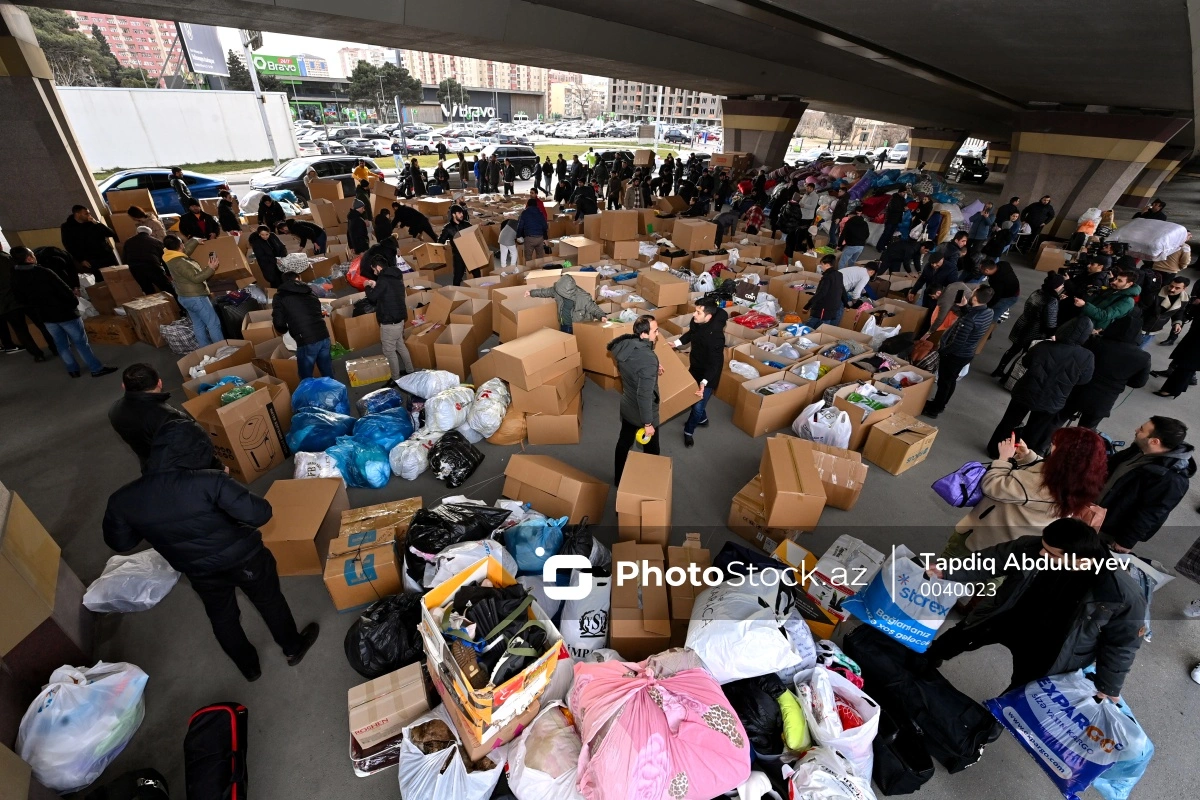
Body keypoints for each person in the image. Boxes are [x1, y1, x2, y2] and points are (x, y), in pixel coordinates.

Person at [103, 419, 319, 681]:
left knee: (222, 616)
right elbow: (260, 514)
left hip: (198, 569)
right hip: (245, 558)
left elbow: (121, 543)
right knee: (269, 601)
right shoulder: (210, 481)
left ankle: (249, 667)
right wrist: (226, 484)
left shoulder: (123, 499)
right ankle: (292, 648)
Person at [927, 518, 1145, 700]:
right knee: (956, 638)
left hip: (1049, 647)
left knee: (1021, 694)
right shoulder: (1031, 547)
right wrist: (948, 570)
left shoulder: (1120, 593)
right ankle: (925, 659)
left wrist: (1109, 686)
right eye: (1043, 547)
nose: (1041, 554)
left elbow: (1122, 643)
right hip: (1006, 616)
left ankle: (986, 727)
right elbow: (992, 559)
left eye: (1051, 554)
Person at [941, 427, 1109, 559]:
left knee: (947, 568)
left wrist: (1003, 459)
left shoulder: (1037, 485)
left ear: (1064, 456)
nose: (1052, 446)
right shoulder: (1078, 480)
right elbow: (1045, 471)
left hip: (985, 539)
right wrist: (1028, 456)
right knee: (989, 586)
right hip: (1014, 545)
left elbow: (993, 486)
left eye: (1056, 444)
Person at [987, 316, 1094, 456]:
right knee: (1035, 431)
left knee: (1009, 422)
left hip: (1026, 390)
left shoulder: (1043, 345)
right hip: (1053, 399)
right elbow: (1084, 380)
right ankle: (1022, 457)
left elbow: (1025, 362)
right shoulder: (1087, 356)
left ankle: (996, 450)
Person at [10, 246, 116, 378]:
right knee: (81, 342)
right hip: (64, 313)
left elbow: (20, 298)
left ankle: (72, 370)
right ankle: (96, 368)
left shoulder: (15, 276)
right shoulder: (43, 272)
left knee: (61, 344)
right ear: (29, 258)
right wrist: (73, 304)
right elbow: (65, 291)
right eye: (32, 254)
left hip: (45, 316)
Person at [1098, 417, 1195, 551]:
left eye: (1142, 430)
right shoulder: (1140, 448)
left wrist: (1126, 541)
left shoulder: (1171, 479)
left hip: (1108, 527)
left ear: (1154, 441)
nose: (1136, 430)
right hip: (1096, 510)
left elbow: (1150, 513)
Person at [109, 363, 217, 471]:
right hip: (180, 469)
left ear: (123, 386)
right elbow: (197, 447)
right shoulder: (169, 418)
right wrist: (217, 467)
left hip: (150, 466)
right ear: (159, 383)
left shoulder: (114, 410)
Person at [1055, 313, 1150, 430]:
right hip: (1103, 401)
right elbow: (1138, 383)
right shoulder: (1143, 357)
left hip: (1078, 391)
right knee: (1085, 432)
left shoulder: (1095, 342)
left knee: (1057, 419)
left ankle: (1041, 444)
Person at [921, 286, 995, 419]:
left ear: (975, 298)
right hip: (967, 353)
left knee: (944, 382)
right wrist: (964, 307)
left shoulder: (969, 320)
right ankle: (940, 404)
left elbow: (957, 342)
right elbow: (972, 318)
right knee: (951, 380)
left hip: (955, 355)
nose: (970, 293)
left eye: (973, 293)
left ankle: (934, 410)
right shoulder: (988, 312)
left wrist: (942, 352)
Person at [608, 315, 662, 483]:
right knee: (652, 449)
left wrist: (652, 369)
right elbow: (644, 394)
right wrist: (648, 423)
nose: (657, 334)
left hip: (627, 404)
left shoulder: (626, 346)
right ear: (644, 334)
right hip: (643, 411)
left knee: (624, 442)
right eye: (655, 330)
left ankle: (618, 479)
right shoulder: (647, 358)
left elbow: (634, 369)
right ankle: (652, 481)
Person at [672, 299, 726, 448]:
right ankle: (703, 419)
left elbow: (714, 364)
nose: (694, 314)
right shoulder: (696, 322)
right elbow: (691, 334)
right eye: (695, 310)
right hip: (696, 366)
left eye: (698, 312)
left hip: (709, 374)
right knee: (692, 397)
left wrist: (704, 382)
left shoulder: (716, 337)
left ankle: (688, 432)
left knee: (697, 406)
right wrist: (676, 343)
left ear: (708, 317)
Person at [992, 272, 1064, 377]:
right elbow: (1050, 320)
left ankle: (999, 369)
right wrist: (1052, 334)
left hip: (1023, 323)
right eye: (1061, 284)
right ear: (1056, 286)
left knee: (1013, 349)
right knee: (1024, 354)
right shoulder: (1052, 300)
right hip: (1035, 330)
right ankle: (1009, 376)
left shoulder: (1038, 292)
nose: (1062, 286)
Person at [162, 235, 224, 347]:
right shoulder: (181, 262)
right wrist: (211, 268)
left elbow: (184, 252)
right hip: (196, 297)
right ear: (180, 245)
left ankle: (205, 349)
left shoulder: (169, 256)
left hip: (184, 297)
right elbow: (196, 278)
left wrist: (195, 240)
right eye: (182, 243)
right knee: (213, 324)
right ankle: (223, 350)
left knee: (198, 324)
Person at [272, 270, 332, 378]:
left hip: (306, 339)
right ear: (298, 279)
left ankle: (308, 394)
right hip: (323, 334)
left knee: (306, 375)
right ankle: (334, 392)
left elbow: (279, 322)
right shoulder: (310, 291)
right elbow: (318, 310)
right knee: (327, 369)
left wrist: (285, 330)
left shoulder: (280, 296)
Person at [363, 260, 414, 381]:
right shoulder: (395, 277)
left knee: (389, 351)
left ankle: (395, 379)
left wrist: (366, 285)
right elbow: (387, 292)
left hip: (389, 322)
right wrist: (376, 285)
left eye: (374, 270)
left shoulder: (383, 280)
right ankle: (410, 370)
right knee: (400, 345)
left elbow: (372, 297)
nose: (374, 273)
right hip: (399, 319)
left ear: (379, 267)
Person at [0, 248, 53, 360]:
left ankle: (37, 355)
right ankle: (55, 346)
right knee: (41, 323)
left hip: (5, 304)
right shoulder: (7, 259)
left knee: (21, 331)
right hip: (23, 298)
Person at [526, 274, 607, 333]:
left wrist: (601, 316)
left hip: (578, 327)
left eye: (560, 291)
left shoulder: (583, 297)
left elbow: (594, 308)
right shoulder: (557, 291)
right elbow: (545, 292)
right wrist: (531, 293)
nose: (557, 292)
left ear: (567, 292)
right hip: (563, 324)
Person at [61, 205, 118, 279]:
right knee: (101, 279)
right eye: (86, 214)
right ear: (77, 214)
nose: (89, 215)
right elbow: (69, 244)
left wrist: (97, 223)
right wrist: (81, 259)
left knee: (117, 276)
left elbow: (111, 233)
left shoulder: (92, 223)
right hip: (91, 259)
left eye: (89, 213)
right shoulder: (67, 227)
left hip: (106, 255)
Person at [1073, 269, 1140, 331]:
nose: (1115, 282)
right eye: (1116, 279)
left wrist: (1084, 305)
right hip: (1083, 320)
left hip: (1092, 328)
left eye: (1120, 281)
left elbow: (1104, 315)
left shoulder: (1127, 301)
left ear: (1129, 284)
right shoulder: (1113, 290)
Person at [121, 226, 174, 296]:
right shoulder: (156, 242)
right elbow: (164, 259)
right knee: (167, 288)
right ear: (150, 234)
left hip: (136, 269)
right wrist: (169, 274)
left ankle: (156, 306)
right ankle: (177, 304)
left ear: (137, 232)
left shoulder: (128, 242)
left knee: (149, 291)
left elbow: (124, 259)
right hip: (153, 267)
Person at [1140, 276, 1189, 348]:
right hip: (1141, 325)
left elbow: (1179, 311)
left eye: (1177, 288)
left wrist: (1177, 322)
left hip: (1155, 328)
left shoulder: (1184, 299)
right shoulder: (1155, 293)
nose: (1172, 289)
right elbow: (1142, 308)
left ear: (1184, 289)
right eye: (1171, 286)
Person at [439, 204, 478, 285]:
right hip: (458, 256)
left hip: (470, 253)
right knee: (457, 278)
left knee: (477, 275)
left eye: (462, 213)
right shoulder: (448, 228)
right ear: (453, 214)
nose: (462, 215)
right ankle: (456, 295)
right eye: (459, 213)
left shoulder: (467, 224)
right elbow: (440, 242)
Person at [802, 255, 845, 329]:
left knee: (816, 325)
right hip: (833, 307)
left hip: (824, 308)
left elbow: (821, 293)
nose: (820, 266)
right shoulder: (839, 274)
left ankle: (805, 335)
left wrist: (807, 306)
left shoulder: (827, 277)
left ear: (827, 265)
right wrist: (846, 303)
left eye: (822, 264)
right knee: (822, 325)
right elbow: (842, 289)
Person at [516, 197, 549, 262]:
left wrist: (518, 236)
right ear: (536, 205)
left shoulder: (524, 213)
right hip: (540, 238)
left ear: (528, 205)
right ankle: (539, 270)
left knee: (528, 258)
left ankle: (530, 270)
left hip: (529, 238)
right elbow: (545, 226)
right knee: (540, 258)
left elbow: (520, 226)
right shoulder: (540, 213)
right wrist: (545, 238)